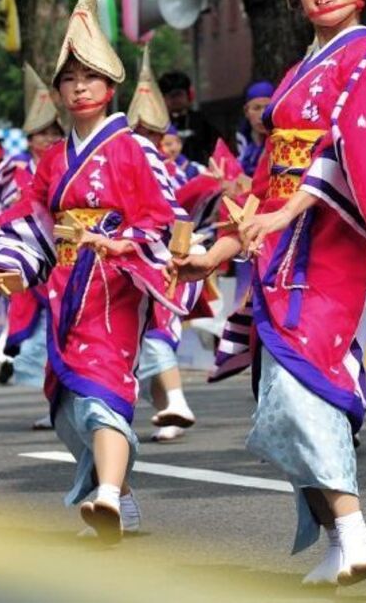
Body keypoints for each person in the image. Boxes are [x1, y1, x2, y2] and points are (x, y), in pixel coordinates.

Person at [173, 0, 366, 586]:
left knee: (303, 387)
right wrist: (214, 250)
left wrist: (288, 212)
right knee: (282, 389)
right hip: (281, 250)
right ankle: (334, 542)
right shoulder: (295, 76)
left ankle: (355, 529)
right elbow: (263, 181)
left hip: (333, 245)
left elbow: (361, 147)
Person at [0, 0, 188, 543]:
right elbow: (33, 224)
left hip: (115, 289)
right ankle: (124, 496)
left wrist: (125, 244)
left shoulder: (132, 149)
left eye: (90, 77)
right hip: (66, 290)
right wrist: (6, 265)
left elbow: (163, 218)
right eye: (70, 79)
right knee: (69, 406)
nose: (80, 86)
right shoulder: (53, 161)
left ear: (110, 85)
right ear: (60, 92)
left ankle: (108, 496)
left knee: (103, 393)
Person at [126, 46, 204, 443]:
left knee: (157, 334)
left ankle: (176, 401)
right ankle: (168, 411)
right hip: (134, 258)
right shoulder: (128, 157)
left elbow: (173, 214)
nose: (151, 142)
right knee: (145, 341)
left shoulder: (150, 161)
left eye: (155, 136)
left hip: (161, 259)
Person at [0, 63, 65, 406]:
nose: (48, 139)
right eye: (41, 133)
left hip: (68, 257)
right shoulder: (14, 171)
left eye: (53, 132)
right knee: (36, 327)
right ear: (29, 137)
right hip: (28, 258)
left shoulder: (69, 163)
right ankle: (53, 399)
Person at [158, 71, 220, 165]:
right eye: (171, 96)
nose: (175, 100)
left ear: (189, 95)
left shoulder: (203, 121)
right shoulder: (158, 124)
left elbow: (216, 149)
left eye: (179, 95)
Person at [238, 81, 274, 176]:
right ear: (246, 111)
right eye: (256, 108)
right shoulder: (243, 143)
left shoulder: (282, 142)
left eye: (268, 108)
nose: (262, 115)